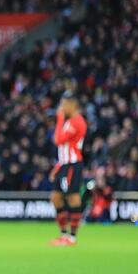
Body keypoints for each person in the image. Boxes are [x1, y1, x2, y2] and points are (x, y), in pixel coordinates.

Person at [49, 92, 87, 246]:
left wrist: (58, 119)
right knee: (56, 198)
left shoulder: (76, 121)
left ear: (72, 105)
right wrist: (57, 167)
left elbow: (58, 140)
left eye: (63, 104)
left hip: (73, 164)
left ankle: (72, 237)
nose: (61, 107)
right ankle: (63, 234)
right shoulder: (70, 120)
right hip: (64, 164)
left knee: (73, 196)